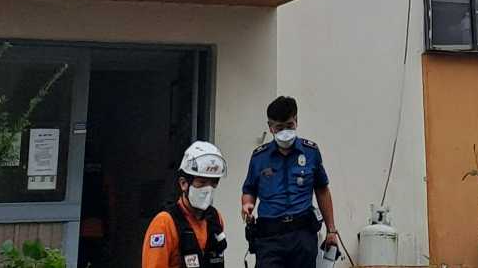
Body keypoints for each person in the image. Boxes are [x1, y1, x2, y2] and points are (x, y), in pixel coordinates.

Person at [240, 96, 339, 268]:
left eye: (289, 125)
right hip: (270, 237)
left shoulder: (311, 152)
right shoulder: (259, 157)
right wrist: (247, 204)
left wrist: (331, 230)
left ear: (296, 121)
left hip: (302, 234)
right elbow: (249, 190)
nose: (285, 131)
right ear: (270, 127)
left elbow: (322, 190)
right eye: (279, 127)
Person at [144, 141, 230, 268]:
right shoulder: (165, 223)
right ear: (184, 183)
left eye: (213, 182)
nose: (208, 188)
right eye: (202, 182)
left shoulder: (215, 218)